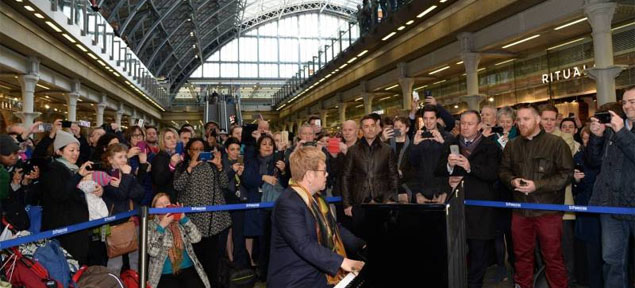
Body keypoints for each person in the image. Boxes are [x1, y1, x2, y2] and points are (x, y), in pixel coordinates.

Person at [268, 146, 365, 288]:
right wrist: (344, 263)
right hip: (294, 280)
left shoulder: (317, 199)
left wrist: (362, 245)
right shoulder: (288, 203)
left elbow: (335, 228)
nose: (327, 175)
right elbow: (304, 244)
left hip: (316, 276)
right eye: (323, 171)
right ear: (309, 175)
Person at [498, 103, 573, 288]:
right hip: (521, 211)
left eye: (526, 119)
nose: (521, 123)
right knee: (521, 257)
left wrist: (537, 186)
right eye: (519, 120)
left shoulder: (556, 144)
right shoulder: (512, 145)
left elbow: (566, 175)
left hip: (548, 211)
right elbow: (503, 171)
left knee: (553, 258)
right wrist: (512, 181)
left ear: (537, 119)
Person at [436, 110, 501, 288]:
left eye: (470, 123)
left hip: (481, 211)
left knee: (479, 255)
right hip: (456, 208)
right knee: (453, 253)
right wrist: (449, 167)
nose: (465, 127)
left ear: (479, 126)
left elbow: (494, 174)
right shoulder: (451, 144)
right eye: (462, 123)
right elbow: (438, 170)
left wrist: (470, 167)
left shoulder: (491, 147)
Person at [586, 86, 635, 288]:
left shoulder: (619, 129)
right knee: (612, 261)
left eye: (633, 101)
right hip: (610, 204)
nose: (628, 106)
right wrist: (597, 137)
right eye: (624, 102)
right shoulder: (615, 128)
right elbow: (594, 162)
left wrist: (621, 132)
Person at [173, 138, 231, 286]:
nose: (198, 152)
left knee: (214, 259)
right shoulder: (182, 166)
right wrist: (190, 168)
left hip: (214, 221)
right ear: (188, 151)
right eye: (195, 149)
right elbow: (177, 186)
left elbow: (225, 184)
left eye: (201, 149)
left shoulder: (212, 166)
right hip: (193, 221)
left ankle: (214, 283)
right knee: (196, 258)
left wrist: (219, 167)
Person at [39, 130, 99, 265]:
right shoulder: (53, 169)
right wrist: (78, 176)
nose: (76, 153)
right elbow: (60, 194)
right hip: (63, 230)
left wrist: (96, 190)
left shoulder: (74, 168)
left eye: (77, 150)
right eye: (71, 150)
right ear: (59, 151)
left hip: (78, 227)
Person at [341, 114, 398, 230]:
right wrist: (347, 204)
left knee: (383, 239)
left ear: (377, 128)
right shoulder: (353, 151)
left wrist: (391, 198)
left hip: (383, 201)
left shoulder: (387, 150)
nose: (370, 129)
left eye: (372, 125)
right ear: (361, 130)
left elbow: (394, 176)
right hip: (359, 202)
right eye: (366, 126)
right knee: (361, 239)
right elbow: (346, 177)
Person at [147, 193, 210, 288]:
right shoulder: (150, 225)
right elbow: (152, 252)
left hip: (188, 268)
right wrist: (162, 226)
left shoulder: (179, 221)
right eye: (160, 204)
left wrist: (183, 218)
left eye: (166, 202)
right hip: (164, 273)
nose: (165, 206)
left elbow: (197, 238)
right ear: (154, 209)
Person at [101, 143, 145, 273]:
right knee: (115, 263)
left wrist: (124, 182)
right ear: (110, 159)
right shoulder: (106, 176)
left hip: (132, 221)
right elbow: (120, 195)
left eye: (125, 156)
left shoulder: (128, 174)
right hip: (116, 225)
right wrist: (125, 179)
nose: (124, 160)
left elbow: (140, 193)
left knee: (136, 261)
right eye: (120, 157)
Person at [408, 105, 455, 203]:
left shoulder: (448, 137)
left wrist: (446, 191)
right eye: (425, 118)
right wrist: (417, 193)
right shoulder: (417, 137)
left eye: (432, 118)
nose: (428, 122)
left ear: (437, 119)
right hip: (422, 193)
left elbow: (453, 166)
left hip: (443, 193)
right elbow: (412, 166)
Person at [221, 137, 249, 268]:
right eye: (232, 149)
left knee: (239, 234)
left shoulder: (243, 162)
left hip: (240, 200)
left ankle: (240, 264)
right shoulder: (221, 163)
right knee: (225, 233)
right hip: (225, 201)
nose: (235, 152)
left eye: (238, 149)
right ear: (226, 150)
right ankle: (227, 261)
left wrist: (242, 174)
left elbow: (249, 183)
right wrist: (232, 170)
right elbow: (222, 182)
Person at [151, 128, 182, 201]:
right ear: (163, 141)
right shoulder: (159, 158)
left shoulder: (177, 156)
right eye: (169, 138)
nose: (173, 140)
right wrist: (171, 166)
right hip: (165, 200)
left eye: (174, 137)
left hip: (177, 198)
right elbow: (159, 181)